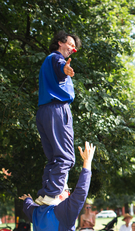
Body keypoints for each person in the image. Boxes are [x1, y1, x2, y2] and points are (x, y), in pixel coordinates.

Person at [35, 31, 81, 206]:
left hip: (44, 111)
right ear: (60, 42)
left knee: (54, 158)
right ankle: (54, 194)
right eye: (70, 45)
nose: (72, 49)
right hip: (57, 109)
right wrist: (65, 69)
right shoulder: (56, 58)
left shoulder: (47, 61)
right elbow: (60, 66)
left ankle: (45, 194)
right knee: (66, 157)